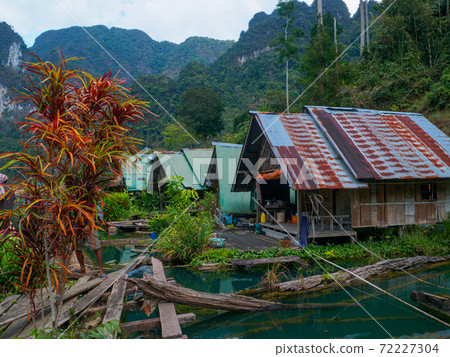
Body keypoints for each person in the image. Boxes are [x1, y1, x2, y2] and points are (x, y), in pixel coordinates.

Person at [74, 206, 106, 278]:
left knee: (96, 248)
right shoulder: (77, 200)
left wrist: (89, 225)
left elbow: (98, 216)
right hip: (79, 227)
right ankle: (82, 268)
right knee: (77, 248)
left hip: (92, 227)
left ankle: (101, 271)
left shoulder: (93, 204)